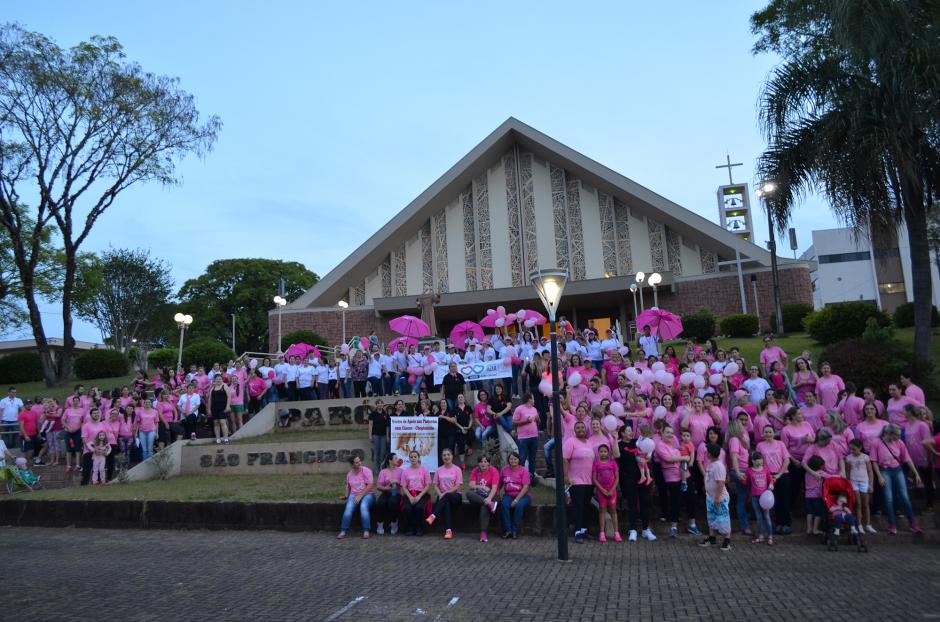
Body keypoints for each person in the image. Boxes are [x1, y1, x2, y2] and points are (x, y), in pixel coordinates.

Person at [870, 424, 922, 534]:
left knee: (905, 496)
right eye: (897, 435)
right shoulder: (877, 442)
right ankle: (892, 525)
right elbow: (874, 461)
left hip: (897, 469)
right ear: (889, 433)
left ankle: (913, 524)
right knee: (889, 498)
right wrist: (879, 476)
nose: (899, 437)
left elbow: (907, 458)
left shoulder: (899, 443)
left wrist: (916, 474)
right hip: (884, 470)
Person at [655, 425, 701, 538]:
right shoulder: (660, 445)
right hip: (672, 478)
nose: (670, 434)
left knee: (691, 499)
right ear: (662, 434)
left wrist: (687, 459)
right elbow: (667, 459)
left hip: (685, 475)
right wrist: (683, 458)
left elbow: (685, 453)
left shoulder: (675, 443)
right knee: (675, 502)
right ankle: (674, 527)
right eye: (667, 432)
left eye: (671, 432)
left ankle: (692, 525)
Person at [563, 420, 595, 543]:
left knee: (586, 506)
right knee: (578, 505)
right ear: (574, 430)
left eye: (583, 427)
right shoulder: (570, 441)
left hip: (588, 480)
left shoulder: (589, 442)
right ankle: (577, 532)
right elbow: (565, 459)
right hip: (576, 480)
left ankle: (584, 530)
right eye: (578, 427)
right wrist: (566, 476)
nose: (581, 429)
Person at [699, 443, 732, 551]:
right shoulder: (710, 464)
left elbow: (720, 483)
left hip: (719, 498)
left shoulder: (718, 466)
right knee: (712, 518)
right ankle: (712, 538)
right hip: (710, 497)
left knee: (723, 518)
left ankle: (727, 540)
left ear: (710, 453)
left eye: (707, 451)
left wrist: (717, 497)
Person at [426, 448, 463, 540]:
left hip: (455, 496)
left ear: (452, 456)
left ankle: (433, 516)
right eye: (444, 455)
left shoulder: (457, 469)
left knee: (447, 497)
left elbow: (457, 486)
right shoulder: (439, 470)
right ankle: (448, 531)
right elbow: (435, 485)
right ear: (442, 457)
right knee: (446, 504)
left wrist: (444, 494)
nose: (446, 457)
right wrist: (440, 494)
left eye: (448, 455)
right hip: (443, 497)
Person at [337, 455, 375, 539]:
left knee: (363, 506)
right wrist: (346, 496)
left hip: (368, 494)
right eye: (357, 462)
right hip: (354, 494)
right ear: (352, 464)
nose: (359, 463)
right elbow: (348, 486)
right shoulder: (349, 474)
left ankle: (366, 530)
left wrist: (360, 495)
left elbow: (371, 485)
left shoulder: (366, 470)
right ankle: (343, 531)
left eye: (359, 461)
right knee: (349, 508)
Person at [467, 455, 500, 542]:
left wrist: (489, 499)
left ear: (489, 463)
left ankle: (483, 533)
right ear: (478, 463)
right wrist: (481, 487)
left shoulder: (494, 471)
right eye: (481, 462)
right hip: (480, 496)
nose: (483, 463)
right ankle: (490, 505)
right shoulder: (476, 470)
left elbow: (494, 488)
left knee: (484, 506)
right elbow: (471, 485)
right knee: (469, 494)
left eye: (485, 461)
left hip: (492, 496)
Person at [593, 443, 622, 542]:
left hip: (612, 491)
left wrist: (612, 489)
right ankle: (602, 533)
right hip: (601, 492)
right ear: (598, 453)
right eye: (601, 451)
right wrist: (603, 490)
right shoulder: (596, 463)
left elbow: (617, 477)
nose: (603, 453)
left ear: (608, 452)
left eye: (605, 451)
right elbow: (594, 479)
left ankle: (616, 532)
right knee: (602, 511)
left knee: (613, 511)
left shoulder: (613, 463)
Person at [845, 439, 875, 534]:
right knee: (857, 504)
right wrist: (848, 483)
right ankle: (859, 525)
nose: (852, 451)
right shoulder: (849, 458)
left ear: (860, 448)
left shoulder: (865, 457)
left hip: (864, 482)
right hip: (854, 482)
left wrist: (871, 484)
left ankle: (868, 524)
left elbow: (870, 471)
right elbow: (848, 471)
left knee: (865, 504)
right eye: (850, 449)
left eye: (854, 449)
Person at [500, 452, 531, 539]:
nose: (513, 461)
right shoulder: (504, 470)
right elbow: (500, 483)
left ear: (519, 460)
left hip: (523, 496)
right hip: (509, 495)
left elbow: (525, 487)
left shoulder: (524, 470)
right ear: (508, 460)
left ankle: (514, 531)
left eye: (515, 459)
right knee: (504, 504)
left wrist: (516, 500)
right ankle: (508, 530)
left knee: (519, 506)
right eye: (511, 459)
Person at [400, 450, 431, 536]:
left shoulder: (424, 469)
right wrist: (410, 497)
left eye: (415, 457)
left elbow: (427, 485)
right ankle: (410, 527)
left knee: (419, 507)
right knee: (407, 508)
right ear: (409, 459)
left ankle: (419, 527)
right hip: (409, 493)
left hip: (422, 493)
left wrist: (419, 496)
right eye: (411, 457)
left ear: (418, 458)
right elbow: (404, 486)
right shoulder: (405, 471)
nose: (413, 458)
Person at [745, 451, 774, 545]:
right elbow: (745, 482)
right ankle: (761, 536)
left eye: (761, 460)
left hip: (765, 498)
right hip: (755, 498)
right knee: (759, 517)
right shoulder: (749, 471)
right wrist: (740, 477)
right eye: (757, 460)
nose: (759, 462)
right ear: (752, 461)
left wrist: (771, 485)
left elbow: (771, 480)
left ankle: (770, 537)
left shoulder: (766, 469)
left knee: (767, 516)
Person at [512, 393, 540, 478]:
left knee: (533, 458)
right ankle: (520, 477)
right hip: (523, 438)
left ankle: (531, 477)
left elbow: (538, 423)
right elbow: (514, 422)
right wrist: (526, 421)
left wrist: (538, 420)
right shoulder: (519, 409)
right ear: (529, 399)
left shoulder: (534, 409)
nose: (534, 400)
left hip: (534, 436)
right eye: (533, 398)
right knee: (522, 458)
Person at [373, 453, 401, 536]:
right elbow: (378, 486)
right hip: (386, 492)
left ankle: (394, 523)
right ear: (390, 460)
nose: (397, 460)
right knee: (380, 503)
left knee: (392, 502)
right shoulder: (383, 472)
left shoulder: (401, 471)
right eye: (395, 458)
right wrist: (387, 488)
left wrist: (397, 482)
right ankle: (380, 524)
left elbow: (404, 483)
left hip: (396, 493)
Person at [206, 374, 232, 444]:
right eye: (217, 379)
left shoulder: (225, 386)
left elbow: (229, 397)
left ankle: (226, 438)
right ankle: (218, 439)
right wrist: (209, 409)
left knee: (223, 422)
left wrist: (228, 406)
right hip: (214, 408)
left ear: (222, 379)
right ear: (214, 380)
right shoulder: (212, 388)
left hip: (223, 407)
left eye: (220, 379)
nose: (218, 380)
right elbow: (210, 400)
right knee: (216, 423)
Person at [367, 399, 389, 469]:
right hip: (375, 435)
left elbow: (387, 426)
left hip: (384, 436)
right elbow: (370, 425)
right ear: (376, 405)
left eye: (381, 403)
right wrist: (370, 436)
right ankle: (376, 470)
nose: (380, 404)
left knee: (383, 453)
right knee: (376, 453)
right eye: (378, 403)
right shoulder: (372, 414)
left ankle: (381, 469)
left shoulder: (386, 414)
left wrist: (387, 436)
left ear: (383, 405)